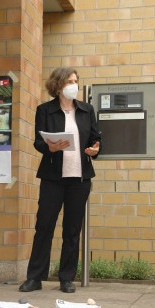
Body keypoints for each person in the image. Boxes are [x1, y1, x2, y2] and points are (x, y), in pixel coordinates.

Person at [19, 67, 101, 294]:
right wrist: (50, 147)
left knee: (72, 229)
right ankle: (34, 278)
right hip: (53, 177)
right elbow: (38, 142)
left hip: (80, 178)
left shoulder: (86, 110)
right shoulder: (44, 110)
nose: (74, 85)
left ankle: (66, 278)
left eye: (76, 81)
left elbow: (96, 138)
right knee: (44, 226)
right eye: (69, 81)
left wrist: (95, 149)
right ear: (57, 85)